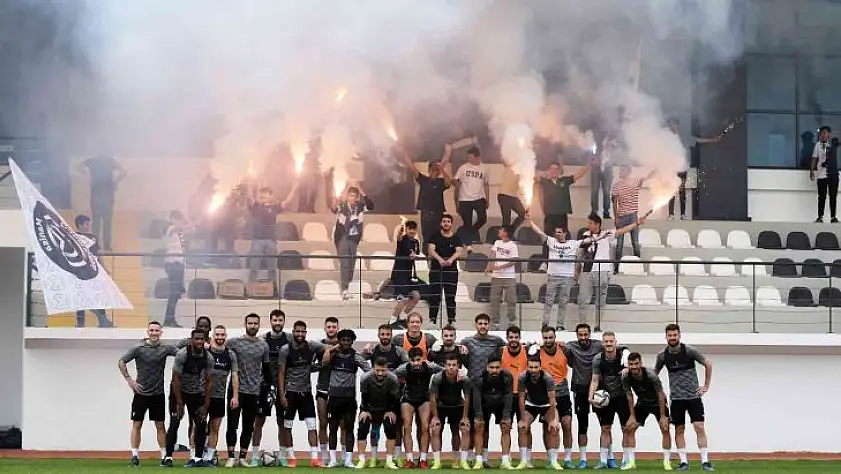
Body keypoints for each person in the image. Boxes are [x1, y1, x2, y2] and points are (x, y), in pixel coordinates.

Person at [118, 321, 178, 467]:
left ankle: (164, 457)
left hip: (158, 393)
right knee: (137, 424)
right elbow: (121, 361)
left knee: (160, 425)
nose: (154, 333)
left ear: (161, 333)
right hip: (141, 393)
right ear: (147, 332)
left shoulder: (165, 348)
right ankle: (134, 456)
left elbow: (182, 352)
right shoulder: (138, 348)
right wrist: (130, 380)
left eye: (157, 330)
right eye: (151, 330)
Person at [654, 324, 714, 472]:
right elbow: (654, 373)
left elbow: (708, 363)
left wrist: (706, 386)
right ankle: (683, 462)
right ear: (666, 336)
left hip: (693, 397)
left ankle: (705, 462)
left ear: (679, 335)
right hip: (676, 399)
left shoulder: (689, 351)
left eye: (675, 335)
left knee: (699, 427)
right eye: (670, 335)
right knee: (679, 429)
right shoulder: (662, 355)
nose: (672, 338)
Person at [526, 213, 599, 330]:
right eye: (556, 232)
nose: (557, 234)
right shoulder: (551, 241)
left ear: (565, 233)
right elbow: (539, 232)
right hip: (553, 276)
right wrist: (530, 222)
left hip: (567, 277)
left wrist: (602, 234)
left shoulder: (573, 243)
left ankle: (560, 325)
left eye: (559, 232)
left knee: (563, 302)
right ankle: (545, 323)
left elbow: (590, 240)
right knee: (549, 301)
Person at [578, 213, 647, 329]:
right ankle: (582, 326)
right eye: (588, 223)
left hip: (602, 270)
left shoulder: (606, 234)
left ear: (597, 224)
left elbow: (622, 230)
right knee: (583, 299)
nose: (588, 225)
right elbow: (580, 253)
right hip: (587, 270)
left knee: (600, 301)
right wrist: (576, 270)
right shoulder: (584, 235)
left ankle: (598, 326)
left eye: (590, 223)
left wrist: (637, 223)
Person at [277, 320, 326, 467]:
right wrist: (282, 396)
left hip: (306, 393)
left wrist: (330, 352)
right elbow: (281, 373)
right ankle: (292, 458)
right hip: (290, 393)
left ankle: (314, 459)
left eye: (302, 331)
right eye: (297, 331)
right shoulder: (285, 349)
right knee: (287, 426)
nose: (300, 334)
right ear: (293, 332)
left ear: (306, 332)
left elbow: (329, 348)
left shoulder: (311, 346)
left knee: (312, 426)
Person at [225, 313, 270, 468]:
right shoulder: (234, 342)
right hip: (235, 391)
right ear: (245, 324)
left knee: (248, 426)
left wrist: (268, 389)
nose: (252, 326)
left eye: (255, 323)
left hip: (254, 392)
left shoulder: (263, 345)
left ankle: (243, 457)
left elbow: (266, 369)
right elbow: (218, 346)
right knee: (232, 425)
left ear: (259, 325)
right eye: (250, 323)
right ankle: (231, 457)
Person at [165, 329, 215, 467]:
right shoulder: (182, 354)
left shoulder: (208, 357)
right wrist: (179, 404)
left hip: (196, 393)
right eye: (196, 339)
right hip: (178, 393)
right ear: (191, 340)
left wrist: (205, 405)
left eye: (202, 339)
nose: (199, 341)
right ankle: (168, 458)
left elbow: (209, 382)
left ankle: (198, 458)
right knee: (175, 423)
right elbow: (175, 380)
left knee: (201, 424)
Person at [322, 329, 372, 467]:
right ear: (339, 341)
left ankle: (348, 460)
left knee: (349, 429)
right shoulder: (333, 355)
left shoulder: (356, 357)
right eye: (343, 340)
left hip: (349, 398)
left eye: (348, 340)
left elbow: (369, 371)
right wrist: (332, 349)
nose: (345, 343)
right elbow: (324, 362)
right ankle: (333, 460)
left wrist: (365, 385)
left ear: (352, 342)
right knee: (332, 428)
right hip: (334, 398)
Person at [361, 324, 409, 467]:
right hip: (376, 395)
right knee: (374, 427)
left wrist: (392, 374)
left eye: (388, 334)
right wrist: (365, 351)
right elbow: (358, 359)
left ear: (391, 335)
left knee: (396, 426)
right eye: (382, 334)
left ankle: (397, 457)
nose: (385, 337)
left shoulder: (398, 351)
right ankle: (374, 457)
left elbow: (407, 365)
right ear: (378, 335)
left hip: (395, 394)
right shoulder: (373, 350)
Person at [588, 331, 631, 470]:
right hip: (606, 398)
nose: (608, 344)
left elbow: (634, 364)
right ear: (602, 343)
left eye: (611, 341)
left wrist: (628, 367)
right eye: (606, 341)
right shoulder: (598, 359)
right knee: (605, 428)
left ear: (615, 342)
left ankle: (626, 460)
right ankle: (603, 461)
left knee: (626, 428)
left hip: (622, 397)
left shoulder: (624, 356)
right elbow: (595, 380)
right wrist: (590, 397)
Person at [395, 348, 444, 468]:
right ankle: (409, 460)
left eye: (418, 360)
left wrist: (460, 373)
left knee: (425, 427)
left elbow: (445, 371)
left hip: (424, 398)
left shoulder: (430, 366)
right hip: (408, 398)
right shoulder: (403, 368)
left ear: (423, 358)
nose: (416, 363)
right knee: (407, 427)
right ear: (409, 360)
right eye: (413, 361)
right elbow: (391, 375)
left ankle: (423, 460)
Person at [253, 309, 290, 466]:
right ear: (270, 321)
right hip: (265, 387)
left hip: (284, 387)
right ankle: (255, 457)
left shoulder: (289, 339)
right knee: (258, 422)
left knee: (282, 423)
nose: (277, 323)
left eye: (280, 320)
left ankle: (282, 456)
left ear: (284, 321)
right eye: (275, 320)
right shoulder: (262, 339)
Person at [563, 323, 603, 469]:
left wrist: (625, 351)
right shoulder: (571, 346)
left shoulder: (598, 345)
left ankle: (607, 458)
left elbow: (616, 347)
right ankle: (583, 459)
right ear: (577, 335)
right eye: (580, 335)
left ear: (590, 334)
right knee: (582, 425)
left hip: (598, 390)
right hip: (579, 389)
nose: (583, 337)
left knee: (605, 424)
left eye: (586, 334)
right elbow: (559, 352)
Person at [623, 352, 672, 471]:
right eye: (631, 364)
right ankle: (631, 462)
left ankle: (667, 462)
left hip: (657, 403)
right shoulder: (625, 377)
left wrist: (662, 416)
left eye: (636, 363)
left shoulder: (651, 375)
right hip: (642, 404)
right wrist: (632, 416)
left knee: (665, 428)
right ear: (628, 365)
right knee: (630, 428)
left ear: (641, 363)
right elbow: (629, 396)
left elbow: (660, 394)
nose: (634, 366)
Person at [535, 326, 574, 468]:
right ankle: (552, 459)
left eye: (550, 337)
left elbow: (575, 360)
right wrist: (533, 344)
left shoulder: (564, 350)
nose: (548, 340)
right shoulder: (537, 351)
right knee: (550, 427)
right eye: (545, 338)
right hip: (546, 395)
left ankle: (568, 459)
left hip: (563, 393)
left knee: (567, 424)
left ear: (555, 337)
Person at [666, 118, 720, 220]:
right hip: (671, 168)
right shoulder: (667, 139)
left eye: (674, 125)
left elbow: (698, 140)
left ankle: (683, 214)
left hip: (682, 168)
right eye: (671, 125)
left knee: (682, 190)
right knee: (671, 190)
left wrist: (712, 140)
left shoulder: (685, 137)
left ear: (678, 126)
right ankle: (671, 214)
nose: (673, 127)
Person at [402, 143, 453, 248]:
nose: (434, 171)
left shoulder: (440, 181)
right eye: (432, 169)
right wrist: (405, 156)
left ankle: (437, 255)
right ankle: (426, 255)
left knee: (438, 236)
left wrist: (442, 169)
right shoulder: (424, 180)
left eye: (436, 169)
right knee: (426, 238)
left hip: (438, 213)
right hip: (426, 213)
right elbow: (413, 168)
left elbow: (448, 183)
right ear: (429, 170)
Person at [516, 357, 562, 470]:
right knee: (522, 428)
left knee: (554, 427)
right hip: (531, 404)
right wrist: (522, 419)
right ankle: (524, 461)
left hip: (547, 405)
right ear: (527, 367)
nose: (533, 370)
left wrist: (553, 419)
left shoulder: (547, 378)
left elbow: (552, 399)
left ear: (540, 367)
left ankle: (553, 461)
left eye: (536, 367)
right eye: (531, 367)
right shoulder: (522, 377)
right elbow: (521, 398)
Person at [356, 358, 402, 469]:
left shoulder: (393, 379)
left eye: (383, 370)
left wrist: (390, 411)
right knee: (362, 427)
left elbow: (394, 398)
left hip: (386, 409)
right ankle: (361, 460)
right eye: (377, 370)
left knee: (391, 428)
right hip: (369, 408)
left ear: (387, 368)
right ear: (373, 368)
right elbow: (364, 396)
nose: (380, 373)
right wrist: (365, 410)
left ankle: (389, 460)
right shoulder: (365, 378)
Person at [429, 353, 472, 470]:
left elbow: (467, 397)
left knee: (463, 429)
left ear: (458, 366)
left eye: (454, 365)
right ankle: (437, 461)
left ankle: (459, 461)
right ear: (444, 366)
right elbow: (432, 398)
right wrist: (435, 417)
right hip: (441, 406)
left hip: (457, 406)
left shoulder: (464, 379)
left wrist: (465, 417)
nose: (451, 367)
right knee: (436, 429)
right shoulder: (437, 378)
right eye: (449, 365)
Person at [331, 185, 375, 299]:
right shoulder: (342, 205)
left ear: (357, 197)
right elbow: (334, 209)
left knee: (351, 264)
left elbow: (371, 206)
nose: (352, 198)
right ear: (347, 196)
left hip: (354, 239)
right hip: (343, 237)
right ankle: (344, 289)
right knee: (345, 263)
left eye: (355, 196)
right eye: (350, 195)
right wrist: (334, 202)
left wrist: (362, 192)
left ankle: (347, 287)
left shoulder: (360, 206)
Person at [472, 354, 515, 469]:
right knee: (480, 428)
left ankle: (505, 461)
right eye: (492, 367)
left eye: (497, 367)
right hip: (484, 404)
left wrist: (506, 415)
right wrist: (478, 416)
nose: (494, 370)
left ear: (501, 367)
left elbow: (509, 395)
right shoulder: (479, 378)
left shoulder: (507, 377)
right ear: (487, 367)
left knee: (506, 427)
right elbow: (476, 398)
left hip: (501, 404)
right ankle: (480, 461)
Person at [610, 165, 655, 272]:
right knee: (619, 244)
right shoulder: (616, 186)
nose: (620, 172)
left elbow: (646, 177)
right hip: (621, 217)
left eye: (623, 170)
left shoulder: (635, 182)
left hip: (633, 216)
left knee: (635, 242)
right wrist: (616, 218)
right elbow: (614, 203)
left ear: (628, 172)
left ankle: (638, 266)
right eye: (620, 170)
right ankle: (616, 268)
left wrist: (655, 170)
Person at [247, 186, 295, 283]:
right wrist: (250, 184)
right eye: (262, 193)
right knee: (254, 268)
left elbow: (286, 202)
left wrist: (295, 188)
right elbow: (250, 196)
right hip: (258, 240)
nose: (263, 195)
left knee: (272, 269)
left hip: (271, 241)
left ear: (271, 196)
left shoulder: (275, 208)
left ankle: (273, 287)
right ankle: (251, 287)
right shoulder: (256, 206)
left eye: (266, 193)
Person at [78, 154, 127, 251]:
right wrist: (116, 181)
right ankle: (103, 245)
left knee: (99, 221)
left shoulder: (95, 160)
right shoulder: (104, 160)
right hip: (102, 192)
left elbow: (78, 167)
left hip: (102, 192)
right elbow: (124, 171)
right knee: (103, 221)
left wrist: (87, 174)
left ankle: (97, 244)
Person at [73, 214, 114, 328]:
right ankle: (80, 323)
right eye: (86, 224)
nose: (88, 226)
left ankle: (103, 321)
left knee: (99, 294)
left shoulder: (93, 238)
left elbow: (98, 254)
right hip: (80, 271)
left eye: (88, 224)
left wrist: (104, 268)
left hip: (94, 271)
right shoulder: (73, 237)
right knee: (81, 296)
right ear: (80, 225)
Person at [207, 325, 239, 468]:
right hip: (203, 397)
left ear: (225, 336)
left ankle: (209, 458)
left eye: (222, 335)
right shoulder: (206, 352)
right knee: (198, 428)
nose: (220, 337)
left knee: (215, 428)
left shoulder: (230, 354)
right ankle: (196, 456)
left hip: (219, 397)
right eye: (217, 335)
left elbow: (235, 375)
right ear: (213, 336)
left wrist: (235, 396)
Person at [535, 162, 591, 240]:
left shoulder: (564, 180)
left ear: (559, 171)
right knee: (549, 239)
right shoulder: (544, 181)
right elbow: (534, 177)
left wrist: (589, 164)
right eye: (552, 168)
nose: (554, 171)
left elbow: (578, 175)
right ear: (549, 170)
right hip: (549, 215)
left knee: (563, 239)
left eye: (556, 169)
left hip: (561, 215)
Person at [427, 214, 464, 324]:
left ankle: (451, 321)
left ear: (451, 223)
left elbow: (459, 251)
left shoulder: (456, 237)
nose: (446, 223)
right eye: (444, 221)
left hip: (451, 272)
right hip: (436, 271)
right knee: (435, 297)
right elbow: (431, 250)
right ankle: (432, 321)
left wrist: (450, 260)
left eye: (448, 221)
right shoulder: (435, 236)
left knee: (450, 297)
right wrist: (440, 260)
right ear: (441, 223)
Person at [453, 146, 489, 244]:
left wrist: (487, 199)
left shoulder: (484, 168)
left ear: (477, 157)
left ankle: (470, 233)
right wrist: (456, 184)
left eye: (471, 157)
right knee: (467, 223)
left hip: (479, 198)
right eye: (468, 157)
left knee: (483, 219)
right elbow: (455, 180)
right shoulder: (463, 167)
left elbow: (486, 184)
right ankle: (468, 241)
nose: (469, 159)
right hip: (465, 199)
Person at [163, 210, 193, 328]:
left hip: (179, 264)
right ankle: (168, 320)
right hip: (173, 264)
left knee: (176, 294)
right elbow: (184, 226)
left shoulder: (179, 233)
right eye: (178, 219)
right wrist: (190, 221)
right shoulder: (170, 228)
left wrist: (188, 222)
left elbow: (192, 230)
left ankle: (170, 319)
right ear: (172, 219)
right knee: (173, 293)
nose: (180, 222)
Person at [389, 219, 422, 328]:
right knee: (403, 299)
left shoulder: (416, 242)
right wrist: (400, 230)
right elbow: (398, 237)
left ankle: (402, 319)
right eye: (409, 229)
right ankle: (392, 322)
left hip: (409, 275)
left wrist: (415, 255)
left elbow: (416, 254)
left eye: (414, 229)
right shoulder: (402, 239)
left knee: (416, 297)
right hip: (399, 274)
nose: (412, 231)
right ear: (406, 229)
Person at [316, 317, 340, 464]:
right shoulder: (318, 345)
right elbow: (312, 365)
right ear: (325, 328)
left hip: (340, 391)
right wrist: (322, 362)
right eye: (329, 327)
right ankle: (325, 456)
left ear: (338, 328)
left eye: (334, 327)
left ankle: (344, 456)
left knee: (342, 424)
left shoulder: (344, 344)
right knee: (323, 422)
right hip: (322, 389)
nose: (331, 329)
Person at [486, 226, 519, 330]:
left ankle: (512, 322)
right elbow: (492, 255)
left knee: (511, 300)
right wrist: (488, 267)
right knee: (494, 300)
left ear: (506, 232)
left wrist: (500, 267)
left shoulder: (513, 245)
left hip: (509, 276)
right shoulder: (497, 242)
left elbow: (514, 261)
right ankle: (495, 323)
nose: (499, 231)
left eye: (501, 230)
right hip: (496, 276)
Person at [811, 125, 840, 223]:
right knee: (821, 197)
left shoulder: (833, 143)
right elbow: (814, 158)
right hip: (821, 174)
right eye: (821, 133)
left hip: (833, 174)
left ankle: (833, 217)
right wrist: (812, 170)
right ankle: (820, 217)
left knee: (833, 196)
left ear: (828, 134)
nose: (822, 135)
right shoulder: (817, 145)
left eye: (825, 133)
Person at [498, 163, 527, 234]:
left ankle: (510, 231)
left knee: (522, 213)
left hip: (513, 196)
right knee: (507, 219)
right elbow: (506, 161)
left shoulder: (521, 173)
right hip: (504, 195)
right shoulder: (510, 166)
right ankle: (504, 236)